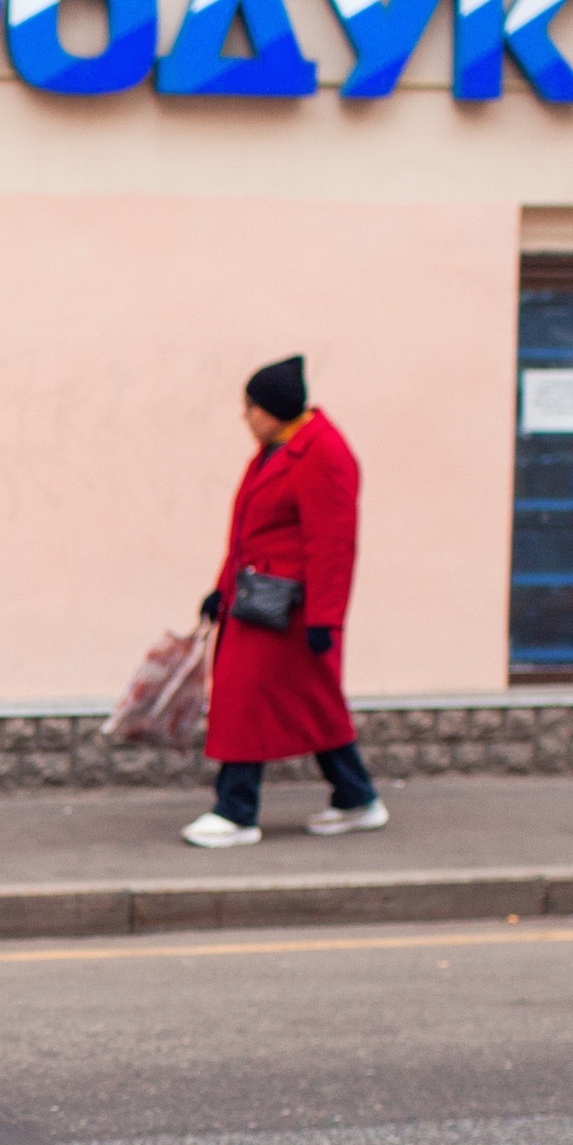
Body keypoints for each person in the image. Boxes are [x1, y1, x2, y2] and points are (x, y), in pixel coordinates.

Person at [182, 353, 385, 850]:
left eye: (250, 406)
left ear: (272, 408)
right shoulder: (280, 447)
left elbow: (333, 544)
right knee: (312, 704)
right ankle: (357, 797)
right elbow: (251, 535)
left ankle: (236, 810)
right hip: (261, 600)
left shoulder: (322, 453)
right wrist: (221, 588)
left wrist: (325, 619)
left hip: (290, 610)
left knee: (243, 699)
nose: (245, 416)